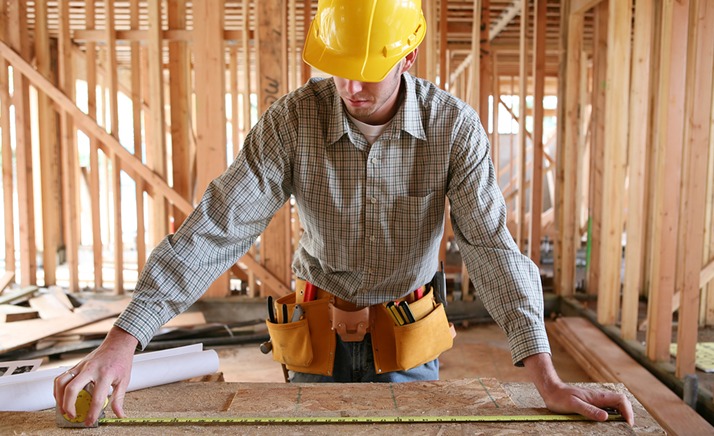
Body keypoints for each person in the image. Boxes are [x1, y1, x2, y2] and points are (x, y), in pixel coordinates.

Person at [55, 0, 634, 427]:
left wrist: (547, 379)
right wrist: (125, 337)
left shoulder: (453, 129)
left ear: (408, 54)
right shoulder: (293, 121)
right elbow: (220, 225)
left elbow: (489, 247)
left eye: (368, 69)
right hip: (316, 333)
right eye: (339, 67)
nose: (352, 86)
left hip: (406, 335)